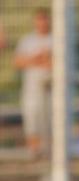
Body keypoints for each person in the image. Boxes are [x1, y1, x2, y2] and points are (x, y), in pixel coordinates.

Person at [14, 8, 52, 158]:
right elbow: (18, 62)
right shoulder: (27, 40)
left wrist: (46, 60)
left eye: (45, 19)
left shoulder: (56, 39)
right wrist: (36, 59)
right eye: (39, 19)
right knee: (32, 122)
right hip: (32, 89)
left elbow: (57, 63)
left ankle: (50, 154)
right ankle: (34, 154)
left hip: (51, 89)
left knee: (51, 121)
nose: (42, 22)